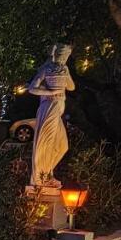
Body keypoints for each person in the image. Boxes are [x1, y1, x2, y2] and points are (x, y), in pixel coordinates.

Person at [28, 43, 75, 188]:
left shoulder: (63, 69)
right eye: (63, 55)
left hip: (57, 109)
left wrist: (65, 74)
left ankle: (47, 173)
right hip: (50, 107)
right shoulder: (46, 69)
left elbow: (71, 87)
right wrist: (51, 92)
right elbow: (32, 89)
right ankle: (42, 177)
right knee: (46, 143)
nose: (64, 58)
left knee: (62, 145)